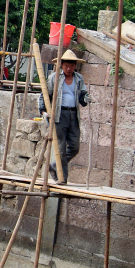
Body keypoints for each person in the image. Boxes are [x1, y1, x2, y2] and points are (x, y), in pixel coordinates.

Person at [37, 49, 90, 184]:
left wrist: (85, 98)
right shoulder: (54, 78)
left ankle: (54, 166)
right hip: (59, 114)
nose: (68, 68)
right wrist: (43, 111)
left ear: (75, 66)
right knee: (60, 147)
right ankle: (62, 178)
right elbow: (45, 94)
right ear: (61, 65)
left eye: (71, 66)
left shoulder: (78, 78)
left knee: (74, 147)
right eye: (66, 65)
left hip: (73, 114)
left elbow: (83, 95)